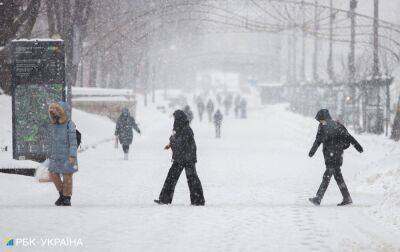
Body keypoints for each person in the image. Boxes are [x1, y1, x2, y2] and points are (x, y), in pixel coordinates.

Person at [308, 109, 363, 206]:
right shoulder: (337, 124)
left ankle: (318, 198)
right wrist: (358, 146)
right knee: (338, 176)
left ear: (323, 118)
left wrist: (312, 152)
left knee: (327, 176)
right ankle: (347, 197)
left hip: (330, 155)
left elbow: (318, 141)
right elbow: (348, 137)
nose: (320, 122)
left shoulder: (323, 126)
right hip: (338, 154)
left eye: (320, 119)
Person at [154, 110, 205, 206]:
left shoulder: (186, 129)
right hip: (181, 157)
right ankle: (164, 199)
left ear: (179, 118)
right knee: (171, 178)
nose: (174, 119)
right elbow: (176, 140)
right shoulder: (179, 128)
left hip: (187, 158)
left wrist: (172, 140)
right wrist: (170, 144)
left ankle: (198, 201)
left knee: (191, 179)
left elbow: (180, 142)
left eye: (175, 118)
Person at [47, 102, 78, 206]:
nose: (54, 112)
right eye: (53, 110)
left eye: (56, 109)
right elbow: (51, 141)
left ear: (62, 111)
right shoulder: (53, 124)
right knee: (52, 174)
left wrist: (72, 155)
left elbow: (73, 141)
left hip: (67, 155)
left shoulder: (70, 124)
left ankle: (67, 198)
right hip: (55, 156)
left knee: (67, 176)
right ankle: (62, 194)